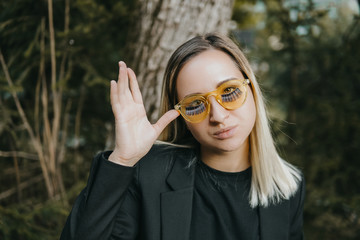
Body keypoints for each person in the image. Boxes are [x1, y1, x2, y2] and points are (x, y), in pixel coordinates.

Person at [60, 33, 305, 240]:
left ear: (251, 88)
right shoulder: (148, 173)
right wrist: (123, 160)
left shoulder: (288, 186)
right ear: (183, 117)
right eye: (196, 105)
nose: (218, 115)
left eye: (229, 92)